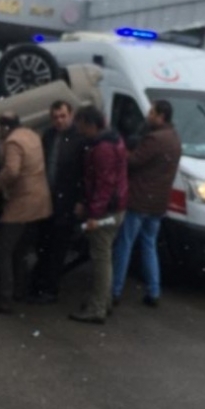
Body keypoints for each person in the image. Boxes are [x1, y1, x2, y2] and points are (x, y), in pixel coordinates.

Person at [111, 100, 182, 308]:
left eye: (151, 112)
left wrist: (123, 151)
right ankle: (153, 290)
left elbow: (132, 162)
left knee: (125, 244)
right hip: (158, 203)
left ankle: (114, 290)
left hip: (140, 199)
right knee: (149, 244)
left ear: (161, 116)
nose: (148, 116)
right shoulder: (175, 139)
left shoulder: (154, 139)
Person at [0, 112, 52, 314]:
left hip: (22, 202)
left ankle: (4, 298)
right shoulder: (32, 135)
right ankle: (20, 290)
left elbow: (12, 170)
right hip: (41, 201)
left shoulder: (13, 142)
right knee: (21, 249)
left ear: (4, 127)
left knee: (3, 249)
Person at [69, 105, 128, 324]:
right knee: (106, 257)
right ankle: (104, 302)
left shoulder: (102, 148)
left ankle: (97, 308)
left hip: (106, 211)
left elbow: (104, 184)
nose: (79, 129)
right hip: (116, 208)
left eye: (81, 125)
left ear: (91, 124)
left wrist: (93, 213)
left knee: (101, 259)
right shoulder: (114, 140)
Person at [29, 99, 85, 303]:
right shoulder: (50, 135)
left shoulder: (79, 140)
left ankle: (50, 288)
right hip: (47, 197)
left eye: (63, 116)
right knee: (43, 243)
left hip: (67, 200)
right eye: (55, 117)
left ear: (70, 115)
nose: (59, 121)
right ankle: (39, 282)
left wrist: (80, 200)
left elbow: (84, 173)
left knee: (58, 247)